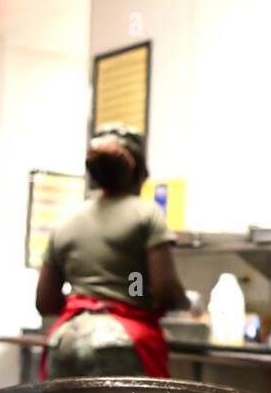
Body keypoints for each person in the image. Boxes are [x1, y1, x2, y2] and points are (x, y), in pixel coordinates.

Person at [36, 124, 189, 379]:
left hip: (65, 342)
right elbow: (165, 290)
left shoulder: (66, 220)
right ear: (139, 174)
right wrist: (186, 304)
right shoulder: (147, 214)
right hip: (124, 343)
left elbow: (45, 301)